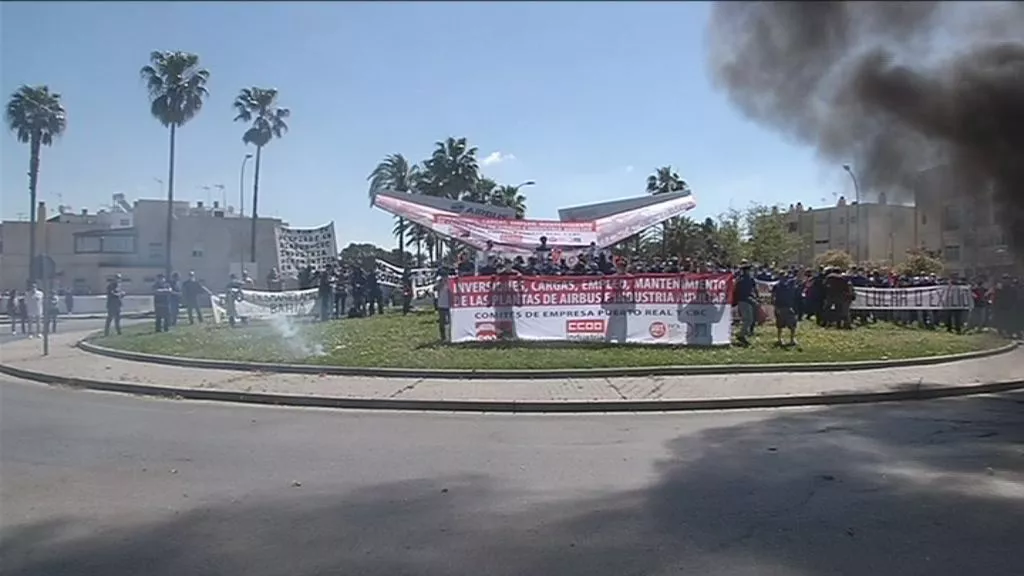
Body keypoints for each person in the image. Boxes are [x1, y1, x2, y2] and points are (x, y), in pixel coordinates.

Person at [771, 271, 800, 347]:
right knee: (784, 325)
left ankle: (786, 339)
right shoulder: (780, 286)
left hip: (784, 307)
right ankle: (785, 339)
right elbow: (773, 297)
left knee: (786, 325)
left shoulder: (786, 286)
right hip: (782, 307)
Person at [732, 262, 758, 346]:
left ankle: (743, 334)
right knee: (748, 319)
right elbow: (749, 291)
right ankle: (740, 334)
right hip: (745, 301)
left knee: (747, 319)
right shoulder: (746, 279)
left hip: (744, 301)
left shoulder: (740, 279)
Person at [435, 267, 451, 342]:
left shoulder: (451, 281)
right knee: (442, 322)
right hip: (441, 304)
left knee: (451, 322)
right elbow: (435, 288)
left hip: (450, 304)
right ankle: (443, 337)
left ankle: (451, 336)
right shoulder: (439, 281)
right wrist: (442, 283)